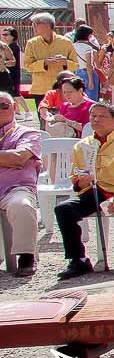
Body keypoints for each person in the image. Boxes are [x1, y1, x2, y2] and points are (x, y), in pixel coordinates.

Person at [56, 102, 114, 278]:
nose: (96, 120)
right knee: (64, 209)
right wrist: (81, 181)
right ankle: (78, 259)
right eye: (93, 116)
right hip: (94, 191)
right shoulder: (82, 146)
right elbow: (76, 177)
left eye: (102, 116)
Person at [0, 92, 42, 276]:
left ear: (14, 107)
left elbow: (19, 158)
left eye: (4, 105)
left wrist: (11, 158)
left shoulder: (28, 133)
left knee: (22, 205)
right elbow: (11, 158)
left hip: (15, 188)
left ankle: (26, 255)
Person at [22, 13, 78, 101]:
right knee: (43, 115)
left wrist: (65, 62)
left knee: (63, 115)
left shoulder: (66, 42)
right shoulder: (31, 43)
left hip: (62, 89)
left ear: (47, 25)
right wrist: (44, 63)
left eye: (36, 24)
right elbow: (27, 65)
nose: (33, 27)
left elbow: (75, 65)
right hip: (40, 90)